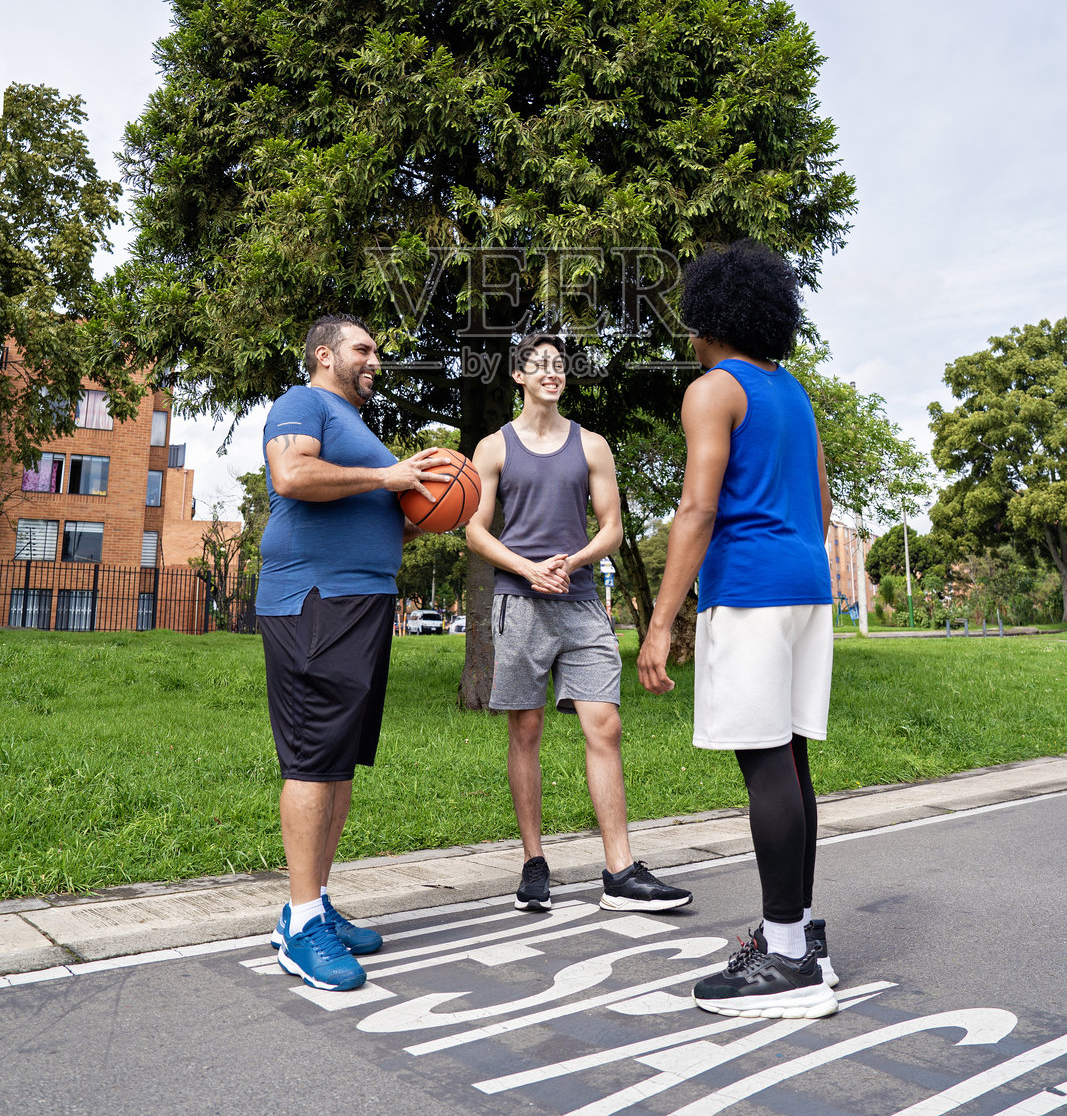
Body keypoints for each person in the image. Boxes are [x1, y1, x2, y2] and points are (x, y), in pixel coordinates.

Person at [636, 242, 838, 1019]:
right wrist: (795, 567)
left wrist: (661, 624)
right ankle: (799, 932)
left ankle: (785, 960)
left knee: (764, 767)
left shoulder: (712, 390)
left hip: (750, 591)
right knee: (790, 760)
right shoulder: (792, 392)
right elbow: (820, 505)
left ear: (707, 319)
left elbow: (696, 508)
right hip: (803, 586)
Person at [256, 315, 451, 992]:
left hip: (361, 601)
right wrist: (388, 476)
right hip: (314, 598)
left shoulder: (358, 428)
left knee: (338, 762)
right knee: (313, 757)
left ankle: (315, 903)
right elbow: (291, 474)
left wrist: (422, 501)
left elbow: (369, 498)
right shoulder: (302, 403)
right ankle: (299, 926)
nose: (375, 358)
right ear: (324, 355)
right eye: (363, 349)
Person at [467, 333, 692, 915]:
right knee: (526, 730)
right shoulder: (493, 448)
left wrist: (573, 562)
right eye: (539, 365)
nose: (551, 372)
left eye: (559, 365)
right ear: (518, 376)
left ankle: (619, 870)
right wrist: (528, 569)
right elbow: (475, 529)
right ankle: (533, 863)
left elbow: (612, 528)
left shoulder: (592, 445)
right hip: (520, 603)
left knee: (605, 725)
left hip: (583, 601)